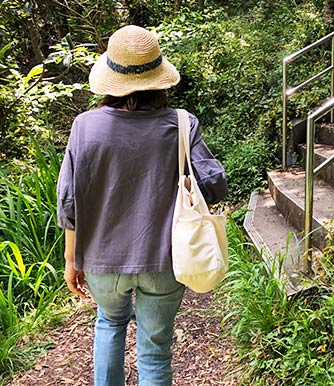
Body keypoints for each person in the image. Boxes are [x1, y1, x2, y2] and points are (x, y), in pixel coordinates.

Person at [57, 25, 228, 386]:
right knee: (154, 350)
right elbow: (214, 184)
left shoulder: (83, 127)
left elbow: (70, 202)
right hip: (164, 259)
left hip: (102, 259)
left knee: (109, 323)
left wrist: (72, 260)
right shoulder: (182, 124)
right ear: (159, 79)